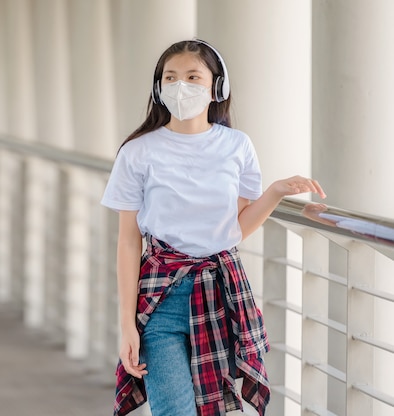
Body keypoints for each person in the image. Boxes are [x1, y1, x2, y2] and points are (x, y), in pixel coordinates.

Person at [100, 39, 327, 416]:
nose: (180, 86)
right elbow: (128, 242)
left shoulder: (237, 146)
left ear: (216, 86)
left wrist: (274, 193)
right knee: (174, 411)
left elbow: (234, 230)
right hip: (161, 298)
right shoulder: (138, 151)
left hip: (219, 295)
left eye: (192, 76)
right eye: (170, 78)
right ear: (159, 88)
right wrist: (126, 326)